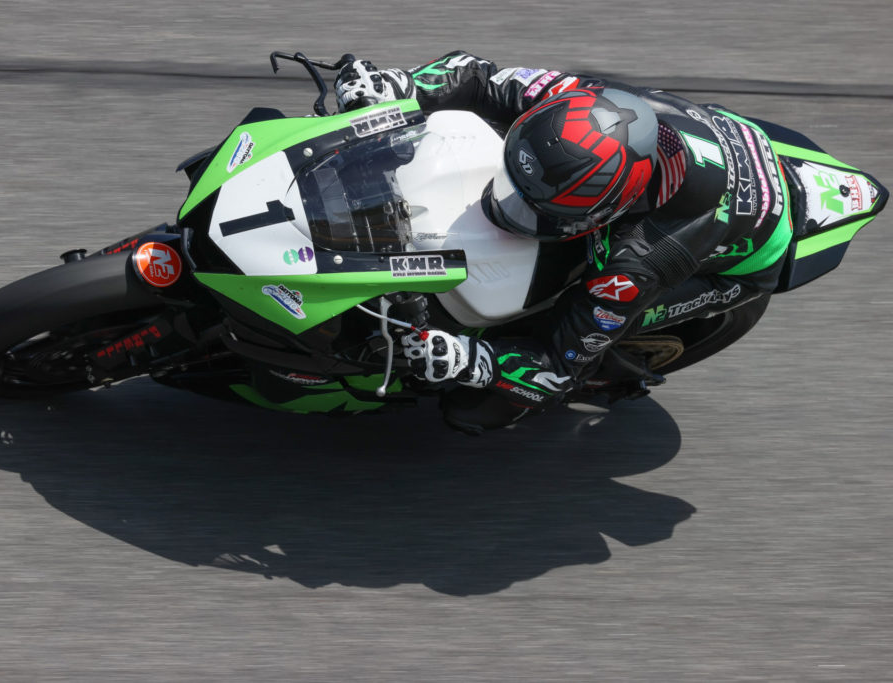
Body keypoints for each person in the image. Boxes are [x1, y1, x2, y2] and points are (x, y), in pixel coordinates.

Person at [334, 52, 793, 433]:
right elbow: (477, 73)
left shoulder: (639, 259)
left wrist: (471, 360)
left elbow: (559, 367)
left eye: (528, 207)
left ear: (607, 214)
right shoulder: (579, 102)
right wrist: (401, 85)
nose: (504, 205)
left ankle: (514, 403)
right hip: (725, 141)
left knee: (475, 406)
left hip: (737, 264)